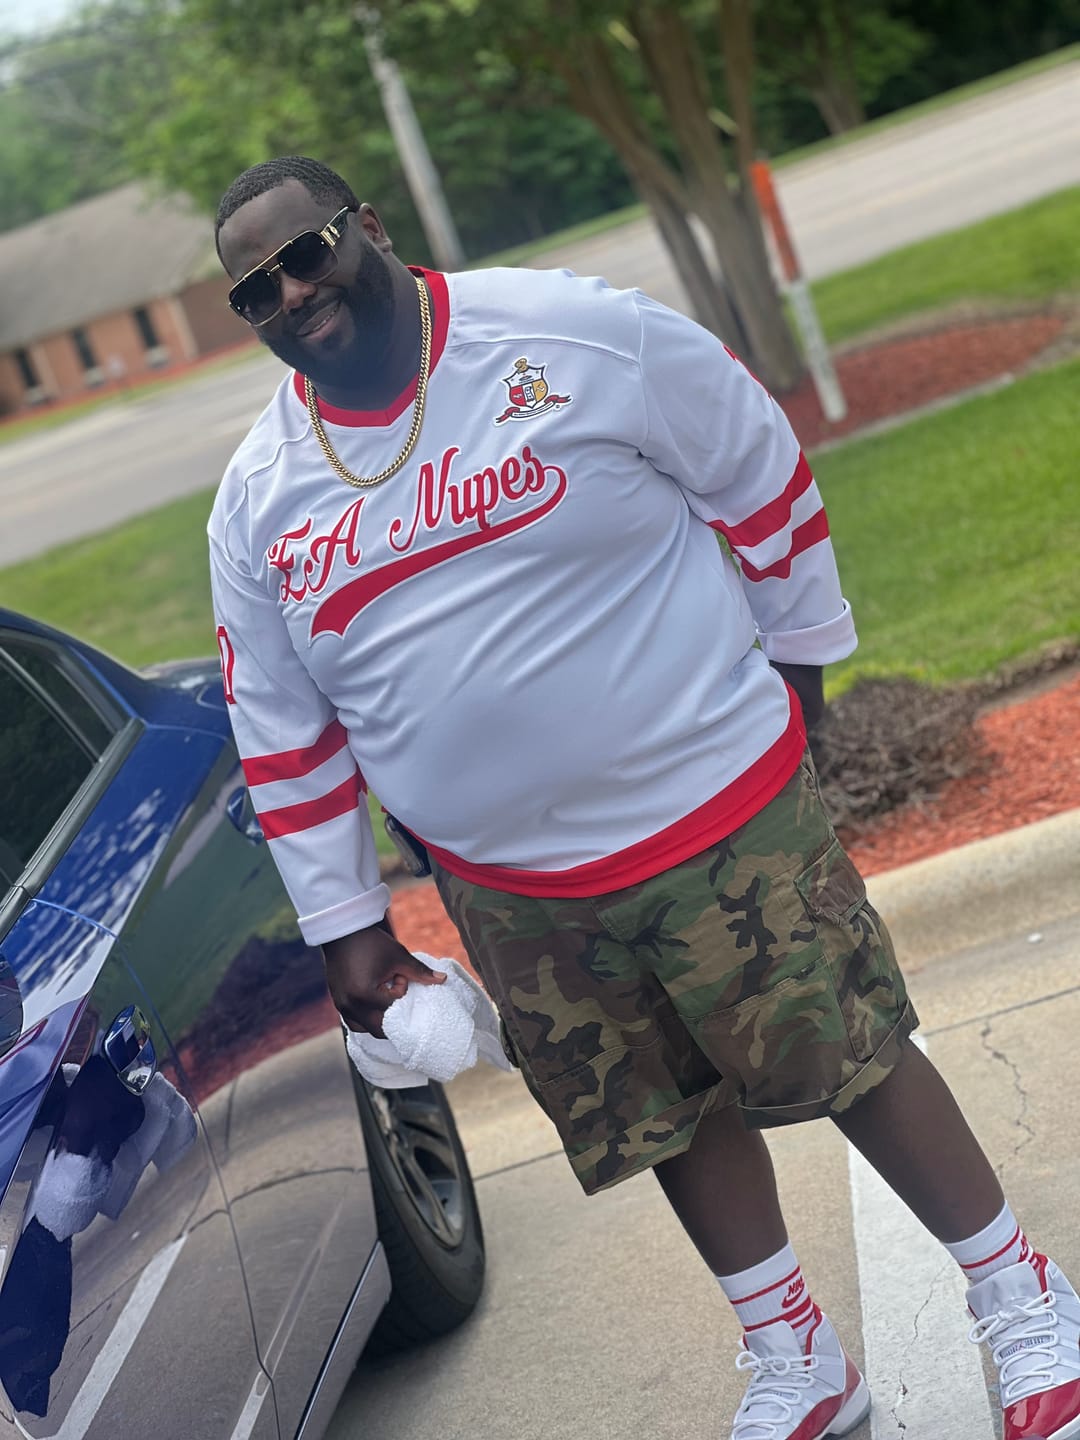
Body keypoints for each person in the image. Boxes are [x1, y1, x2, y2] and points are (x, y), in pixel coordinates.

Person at [209, 155, 1079, 1440]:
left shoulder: (571, 333)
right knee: (662, 1116)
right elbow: (281, 731)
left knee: (849, 1051)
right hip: (510, 888)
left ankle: (1018, 1290)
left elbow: (759, 469)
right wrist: (349, 930)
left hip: (713, 810)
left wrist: (801, 674)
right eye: (255, 291)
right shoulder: (256, 498)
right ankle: (795, 1353)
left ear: (368, 228)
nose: (290, 293)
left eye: (306, 253)